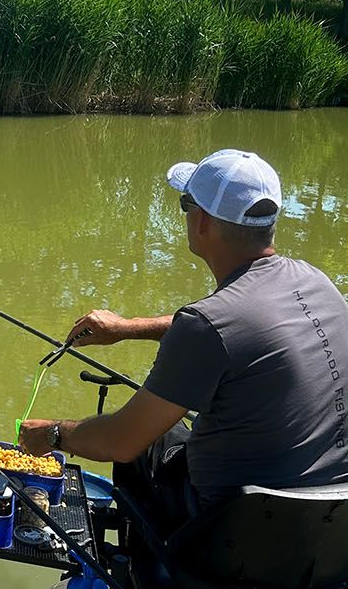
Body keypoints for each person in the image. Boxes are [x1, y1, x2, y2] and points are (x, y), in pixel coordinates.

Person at [19, 148, 348, 533]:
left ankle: (146, 575)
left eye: (185, 204)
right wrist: (128, 328)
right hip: (331, 529)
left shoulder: (207, 325)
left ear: (203, 221)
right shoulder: (318, 283)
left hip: (233, 538)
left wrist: (52, 434)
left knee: (144, 444)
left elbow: (120, 441)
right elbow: (236, 332)